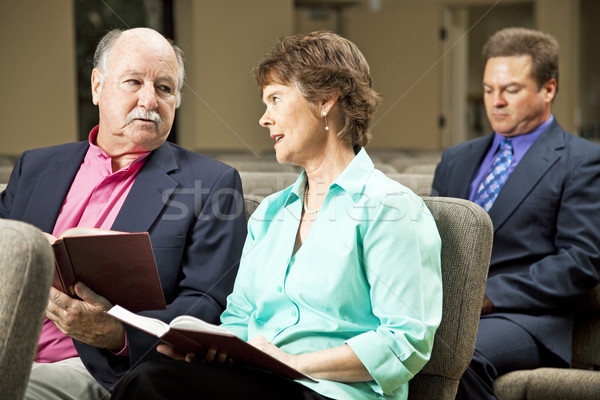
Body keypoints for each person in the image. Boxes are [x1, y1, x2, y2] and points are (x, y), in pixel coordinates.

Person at [110, 31, 443, 400]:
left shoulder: (392, 209)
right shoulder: (269, 213)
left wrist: (294, 362)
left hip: (334, 393)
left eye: (276, 100)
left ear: (325, 101)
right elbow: (238, 318)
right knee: (156, 370)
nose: (264, 119)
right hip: (262, 382)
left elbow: (405, 342)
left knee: (153, 382)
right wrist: (205, 348)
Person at [0, 27, 247, 399]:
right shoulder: (35, 165)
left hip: (96, 367)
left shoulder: (211, 183)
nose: (149, 99)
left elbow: (207, 303)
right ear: (98, 86)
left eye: (165, 88)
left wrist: (117, 334)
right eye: (134, 82)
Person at [432, 27, 600, 399]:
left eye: (510, 90)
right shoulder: (456, 159)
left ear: (548, 90)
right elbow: (431, 243)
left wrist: (488, 295)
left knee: (455, 355)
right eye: (490, 89)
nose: (496, 102)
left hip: (527, 317)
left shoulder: (582, 161)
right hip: (444, 310)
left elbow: (580, 260)